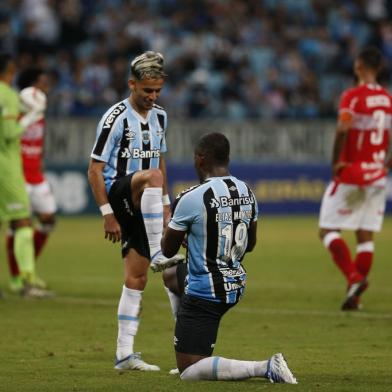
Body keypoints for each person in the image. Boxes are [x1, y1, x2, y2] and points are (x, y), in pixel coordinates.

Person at [161, 132, 297, 383]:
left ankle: (266, 367)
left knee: (189, 372)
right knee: (171, 275)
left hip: (206, 292)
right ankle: (190, 346)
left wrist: (171, 230)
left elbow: (167, 250)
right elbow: (251, 245)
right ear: (227, 158)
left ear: (199, 159)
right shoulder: (247, 191)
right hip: (235, 282)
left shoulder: (191, 197)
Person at [87, 51, 184, 371]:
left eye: (157, 91)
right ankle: (159, 251)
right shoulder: (114, 117)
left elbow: (160, 161)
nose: (152, 97)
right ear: (132, 84)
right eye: (147, 91)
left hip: (149, 206)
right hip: (121, 194)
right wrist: (107, 214)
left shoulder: (160, 117)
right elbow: (94, 169)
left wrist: (167, 206)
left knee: (146, 278)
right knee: (152, 177)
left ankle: (125, 355)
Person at [318, 47, 392, 311]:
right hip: (377, 175)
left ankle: (354, 277)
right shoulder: (387, 98)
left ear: (359, 66)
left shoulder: (352, 97)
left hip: (351, 172)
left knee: (327, 230)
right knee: (365, 236)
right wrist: (386, 164)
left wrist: (335, 162)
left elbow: (343, 129)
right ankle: (355, 298)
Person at [0, 53, 52, 298]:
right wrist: (30, 115)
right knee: (21, 222)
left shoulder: (24, 102)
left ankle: (23, 277)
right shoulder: (11, 99)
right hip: (9, 170)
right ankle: (23, 279)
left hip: (30, 174)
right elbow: (10, 133)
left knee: (43, 219)